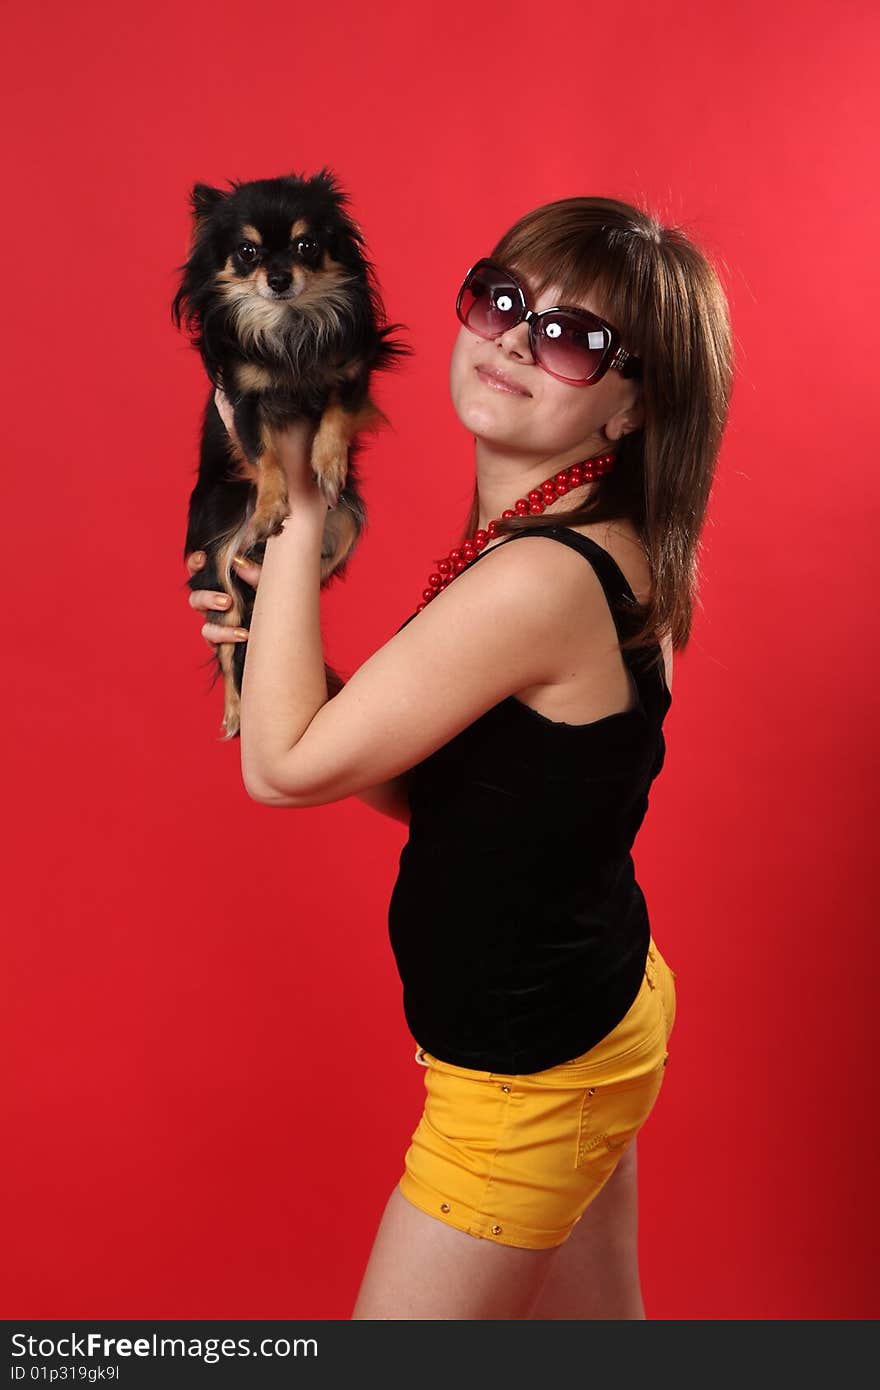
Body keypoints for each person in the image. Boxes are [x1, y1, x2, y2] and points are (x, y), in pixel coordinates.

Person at [183, 195, 734, 1319]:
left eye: (576, 340)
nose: (517, 341)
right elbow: (469, 790)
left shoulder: (539, 578)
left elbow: (282, 770)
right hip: (593, 1012)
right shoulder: (567, 535)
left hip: (526, 1079)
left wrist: (293, 487)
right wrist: (281, 670)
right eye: (503, 298)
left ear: (632, 408)